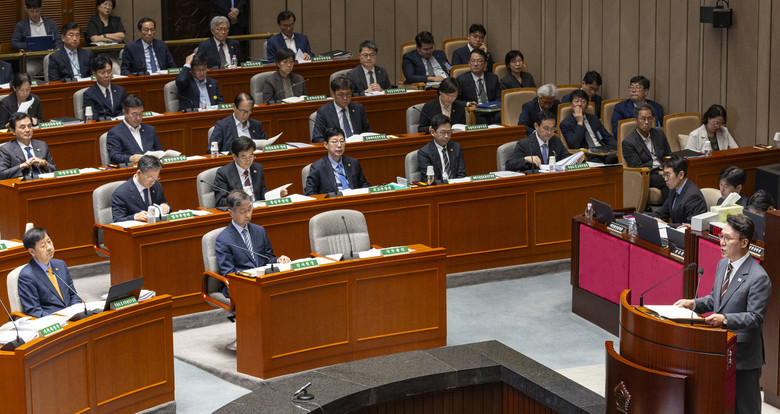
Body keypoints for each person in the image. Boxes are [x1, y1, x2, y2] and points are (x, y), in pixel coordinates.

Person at [674, 214, 771, 414]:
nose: (722, 242)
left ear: (744, 242)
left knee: (745, 408)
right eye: (721, 236)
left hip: (743, 356)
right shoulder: (723, 265)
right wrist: (693, 304)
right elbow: (715, 299)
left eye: (728, 238)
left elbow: (755, 317)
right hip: (719, 349)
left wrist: (724, 319)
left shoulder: (758, 277)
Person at [215, 190, 291, 297]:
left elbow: (268, 258)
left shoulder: (259, 231)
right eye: (243, 211)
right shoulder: (223, 239)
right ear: (231, 213)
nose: (248, 215)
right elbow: (228, 273)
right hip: (241, 284)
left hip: (262, 280)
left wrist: (278, 260)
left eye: (249, 209)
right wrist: (251, 276)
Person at [17, 227, 82, 318]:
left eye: (49, 242)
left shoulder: (60, 264)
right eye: (43, 245)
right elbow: (34, 310)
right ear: (32, 251)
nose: (49, 247)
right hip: (52, 321)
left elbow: (73, 295)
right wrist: (59, 319)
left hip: (72, 316)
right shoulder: (27, 276)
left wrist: (74, 312)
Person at [213, 137, 288, 207]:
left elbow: (262, 192)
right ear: (234, 157)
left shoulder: (257, 168)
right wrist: (239, 201)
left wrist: (276, 195)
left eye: (251, 156)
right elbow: (220, 201)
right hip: (240, 211)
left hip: (258, 208)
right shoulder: (223, 173)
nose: (248, 160)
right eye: (244, 157)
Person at [621, 103, 672, 200]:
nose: (647, 122)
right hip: (647, 174)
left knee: (681, 176)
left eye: (649, 119)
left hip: (664, 170)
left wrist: (669, 170)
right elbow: (637, 168)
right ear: (636, 121)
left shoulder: (659, 134)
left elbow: (668, 155)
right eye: (643, 119)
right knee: (667, 181)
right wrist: (660, 172)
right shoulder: (629, 142)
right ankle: (670, 208)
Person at [304, 127, 370, 195]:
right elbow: (310, 192)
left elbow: (365, 184)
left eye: (342, 141)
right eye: (334, 142)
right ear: (326, 145)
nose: (339, 145)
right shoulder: (318, 167)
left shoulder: (353, 163)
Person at [559, 89, 616, 163]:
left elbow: (607, 137)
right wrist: (580, 122)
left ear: (587, 104)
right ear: (570, 104)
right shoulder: (565, 124)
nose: (580, 104)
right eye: (576, 101)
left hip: (602, 152)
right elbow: (574, 145)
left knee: (615, 158)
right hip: (586, 156)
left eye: (583, 101)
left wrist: (618, 148)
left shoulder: (593, 118)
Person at [506, 111, 573, 172]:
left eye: (552, 128)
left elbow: (566, 158)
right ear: (536, 126)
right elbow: (509, 165)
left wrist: (575, 160)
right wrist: (525, 159)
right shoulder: (525, 144)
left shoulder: (555, 140)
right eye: (546, 128)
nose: (549, 132)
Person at [111, 155, 171, 222]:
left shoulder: (157, 185)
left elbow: (162, 202)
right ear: (139, 173)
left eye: (156, 177)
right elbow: (118, 220)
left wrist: (165, 205)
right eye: (150, 177)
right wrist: (134, 217)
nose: (153, 182)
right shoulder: (120, 193)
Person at [652, 156, 707, 228]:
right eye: (664, 175)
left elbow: (690, 226)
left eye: (668, 175)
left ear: (681, 175)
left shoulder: (693, 196)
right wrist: (651, 218)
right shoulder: (673, 189)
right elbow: (662, 212)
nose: (665, 179)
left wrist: (666, 224)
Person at [106, 94, 162, 164]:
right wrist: (130, 158)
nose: (138, 118)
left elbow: (160, 151)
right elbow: (114, 156)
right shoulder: (115, 132)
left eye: (141, 114)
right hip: (131, 168)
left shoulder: (150, 129)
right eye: (134, 114)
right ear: (124, 112)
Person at [311, 77, 370, 142]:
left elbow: (367, 132)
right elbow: (317, 138)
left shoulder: (358, 108)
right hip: (336, 146)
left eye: (348, 94)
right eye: (341, 94)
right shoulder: (324, 111)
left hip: (357, 145)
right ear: (333, 94)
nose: (345, 98)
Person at [0, 112, 56, 179]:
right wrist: (22, 166)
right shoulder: (6, 149)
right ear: (13, 131)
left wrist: (45, 164)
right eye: (22, 127)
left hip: (43, 181)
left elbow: (55, 170)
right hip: (22, 183)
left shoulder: (42, 145)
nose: (27, 130)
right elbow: (2, 174)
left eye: (29, 126)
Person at [417, 114, 466, 183]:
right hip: (438, 188)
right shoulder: (424, 153)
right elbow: (431, 180)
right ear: (433, 132)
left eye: (449, 132)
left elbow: (461, 174)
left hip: (456, 186)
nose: (446, 136)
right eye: (442, 132)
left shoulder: (456, 147)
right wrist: (448, 184)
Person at [456, 48, 501, 124]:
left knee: (501, 116)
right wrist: (468, 103)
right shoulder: (461, 80)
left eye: (479, 61)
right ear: (469, 63)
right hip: (475, 112)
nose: (475, 64)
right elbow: (456, 101)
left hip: (492, 111)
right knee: (481, 120)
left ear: (485, 64)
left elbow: (498, 97)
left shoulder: (493, 78)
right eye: (473, 61)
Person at [83, 54, 126, 119]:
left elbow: (126, 110)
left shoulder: (120, 90)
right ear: (94, 74)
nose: (106, 75)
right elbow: (93, 117)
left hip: (120, 123)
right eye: (102, 72)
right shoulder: (89, 94)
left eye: (109, 71)